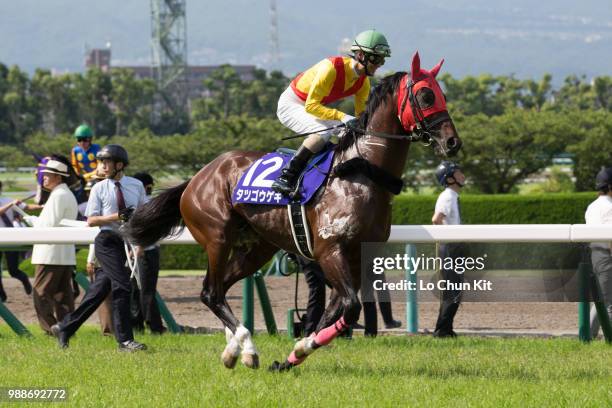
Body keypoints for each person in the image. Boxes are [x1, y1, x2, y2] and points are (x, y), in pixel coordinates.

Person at [51, 144, 147, 352]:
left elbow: (143, 216)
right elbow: (92, 220)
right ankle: (125, 341)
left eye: (106, 162)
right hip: (107, 241)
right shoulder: (98, 188)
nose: (101, 166)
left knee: (98, 290)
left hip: (126, 242)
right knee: (122, 286)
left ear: (119, 165)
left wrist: (139, 245)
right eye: (101, 162)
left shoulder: (136, 185)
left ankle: (65, 327)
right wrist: (117, 216)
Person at [272, 29, 391, 196]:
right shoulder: (331, 68)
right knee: (323, 133)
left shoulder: (363, 82)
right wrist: (342, 116)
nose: (380, 64)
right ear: (361, 56)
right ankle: (286, 177)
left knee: (350, 133)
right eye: (377, 58)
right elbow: (311, 106)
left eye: (382, 60)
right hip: (292, 104)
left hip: (314, 106)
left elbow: (361, 117)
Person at [30, 160, 78, 334]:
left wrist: (31, 221)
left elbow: (48, 226)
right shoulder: (64, 193)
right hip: (63, 253)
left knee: (40, 294)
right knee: (63, 297)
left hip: (50, 253)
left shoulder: (58, 195)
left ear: (58, 177)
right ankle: (66, 330)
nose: (43, 178)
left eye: (47, 175)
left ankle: (51, 330)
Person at [431, 161, 466, 338]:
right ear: (450, 179)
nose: (462, 175)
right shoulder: (447, 196)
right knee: (453, 292)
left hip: (453, 247)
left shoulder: (452, 195)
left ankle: (445, 329)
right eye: (458, 172)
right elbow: (436, 219)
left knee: (454, 291)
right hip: (449, 248)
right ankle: (442, 331)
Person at [129, 172, 165, 334]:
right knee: (141, 290)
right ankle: (151, 326)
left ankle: (148, 325)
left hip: (143, 251)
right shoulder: (147, 202)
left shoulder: (147, 203)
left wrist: (139, 247)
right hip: (143, 251)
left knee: (143, 290)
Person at [585, 166, 612, 337]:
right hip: (607, 255)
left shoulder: (592, 206)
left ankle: (586, 336)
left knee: (602, 299)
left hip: (596, 254)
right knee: (609, 303)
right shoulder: (610, 207)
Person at [0, 181, 33, 302]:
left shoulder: (7, 199)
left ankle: (26, 282)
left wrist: (44, 206)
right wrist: (10, 205)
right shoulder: (9, 202)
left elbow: (28, 207)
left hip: (10, 239)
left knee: (13, 271)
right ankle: (2, 297)